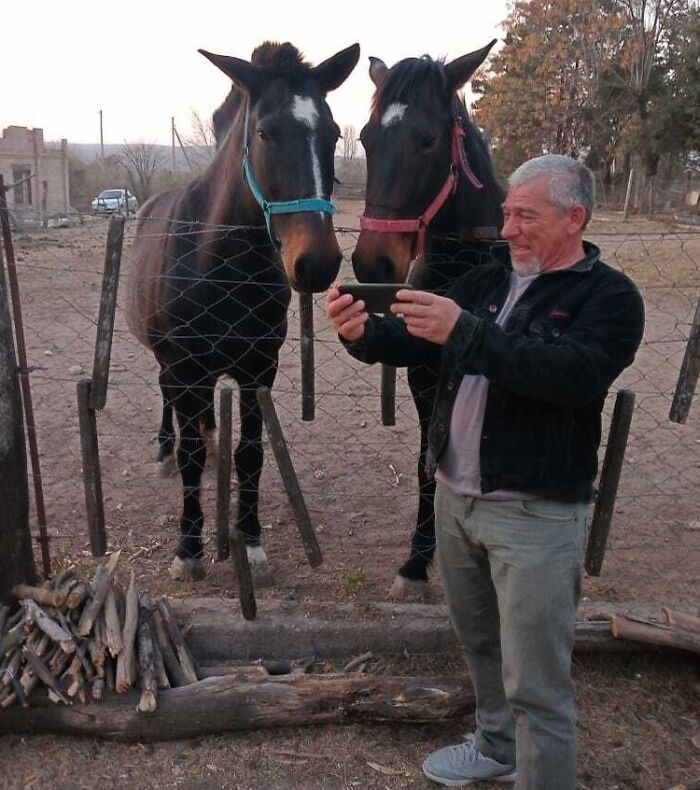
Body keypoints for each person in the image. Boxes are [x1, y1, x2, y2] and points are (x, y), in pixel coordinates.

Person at [326, 155, 645, 789]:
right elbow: (413, 342)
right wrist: (360, 334)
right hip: (456, 501)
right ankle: (498, 747)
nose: (509, 230)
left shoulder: (609, 298)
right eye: (505, 214)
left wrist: (465, 333)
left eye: (526, 216)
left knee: (537, 680)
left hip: (535, 513)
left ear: (574, 217)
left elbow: (567, 378)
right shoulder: (486, 282)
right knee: (481, 643)